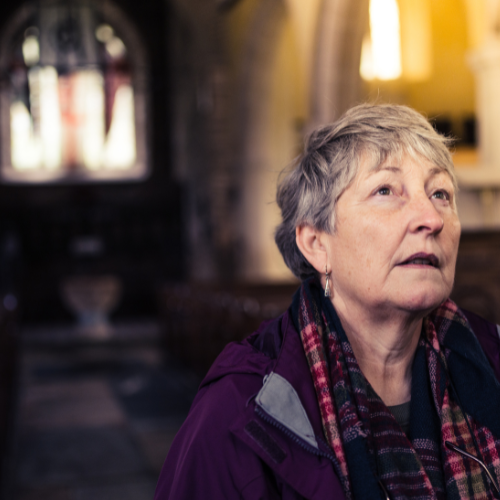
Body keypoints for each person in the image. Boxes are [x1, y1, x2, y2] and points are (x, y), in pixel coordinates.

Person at [154, 104, 500, 499]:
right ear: (317, 244)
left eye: (440, 193)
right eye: (385, 190)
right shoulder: (238, 413)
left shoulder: (491, 363)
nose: (431, 218)